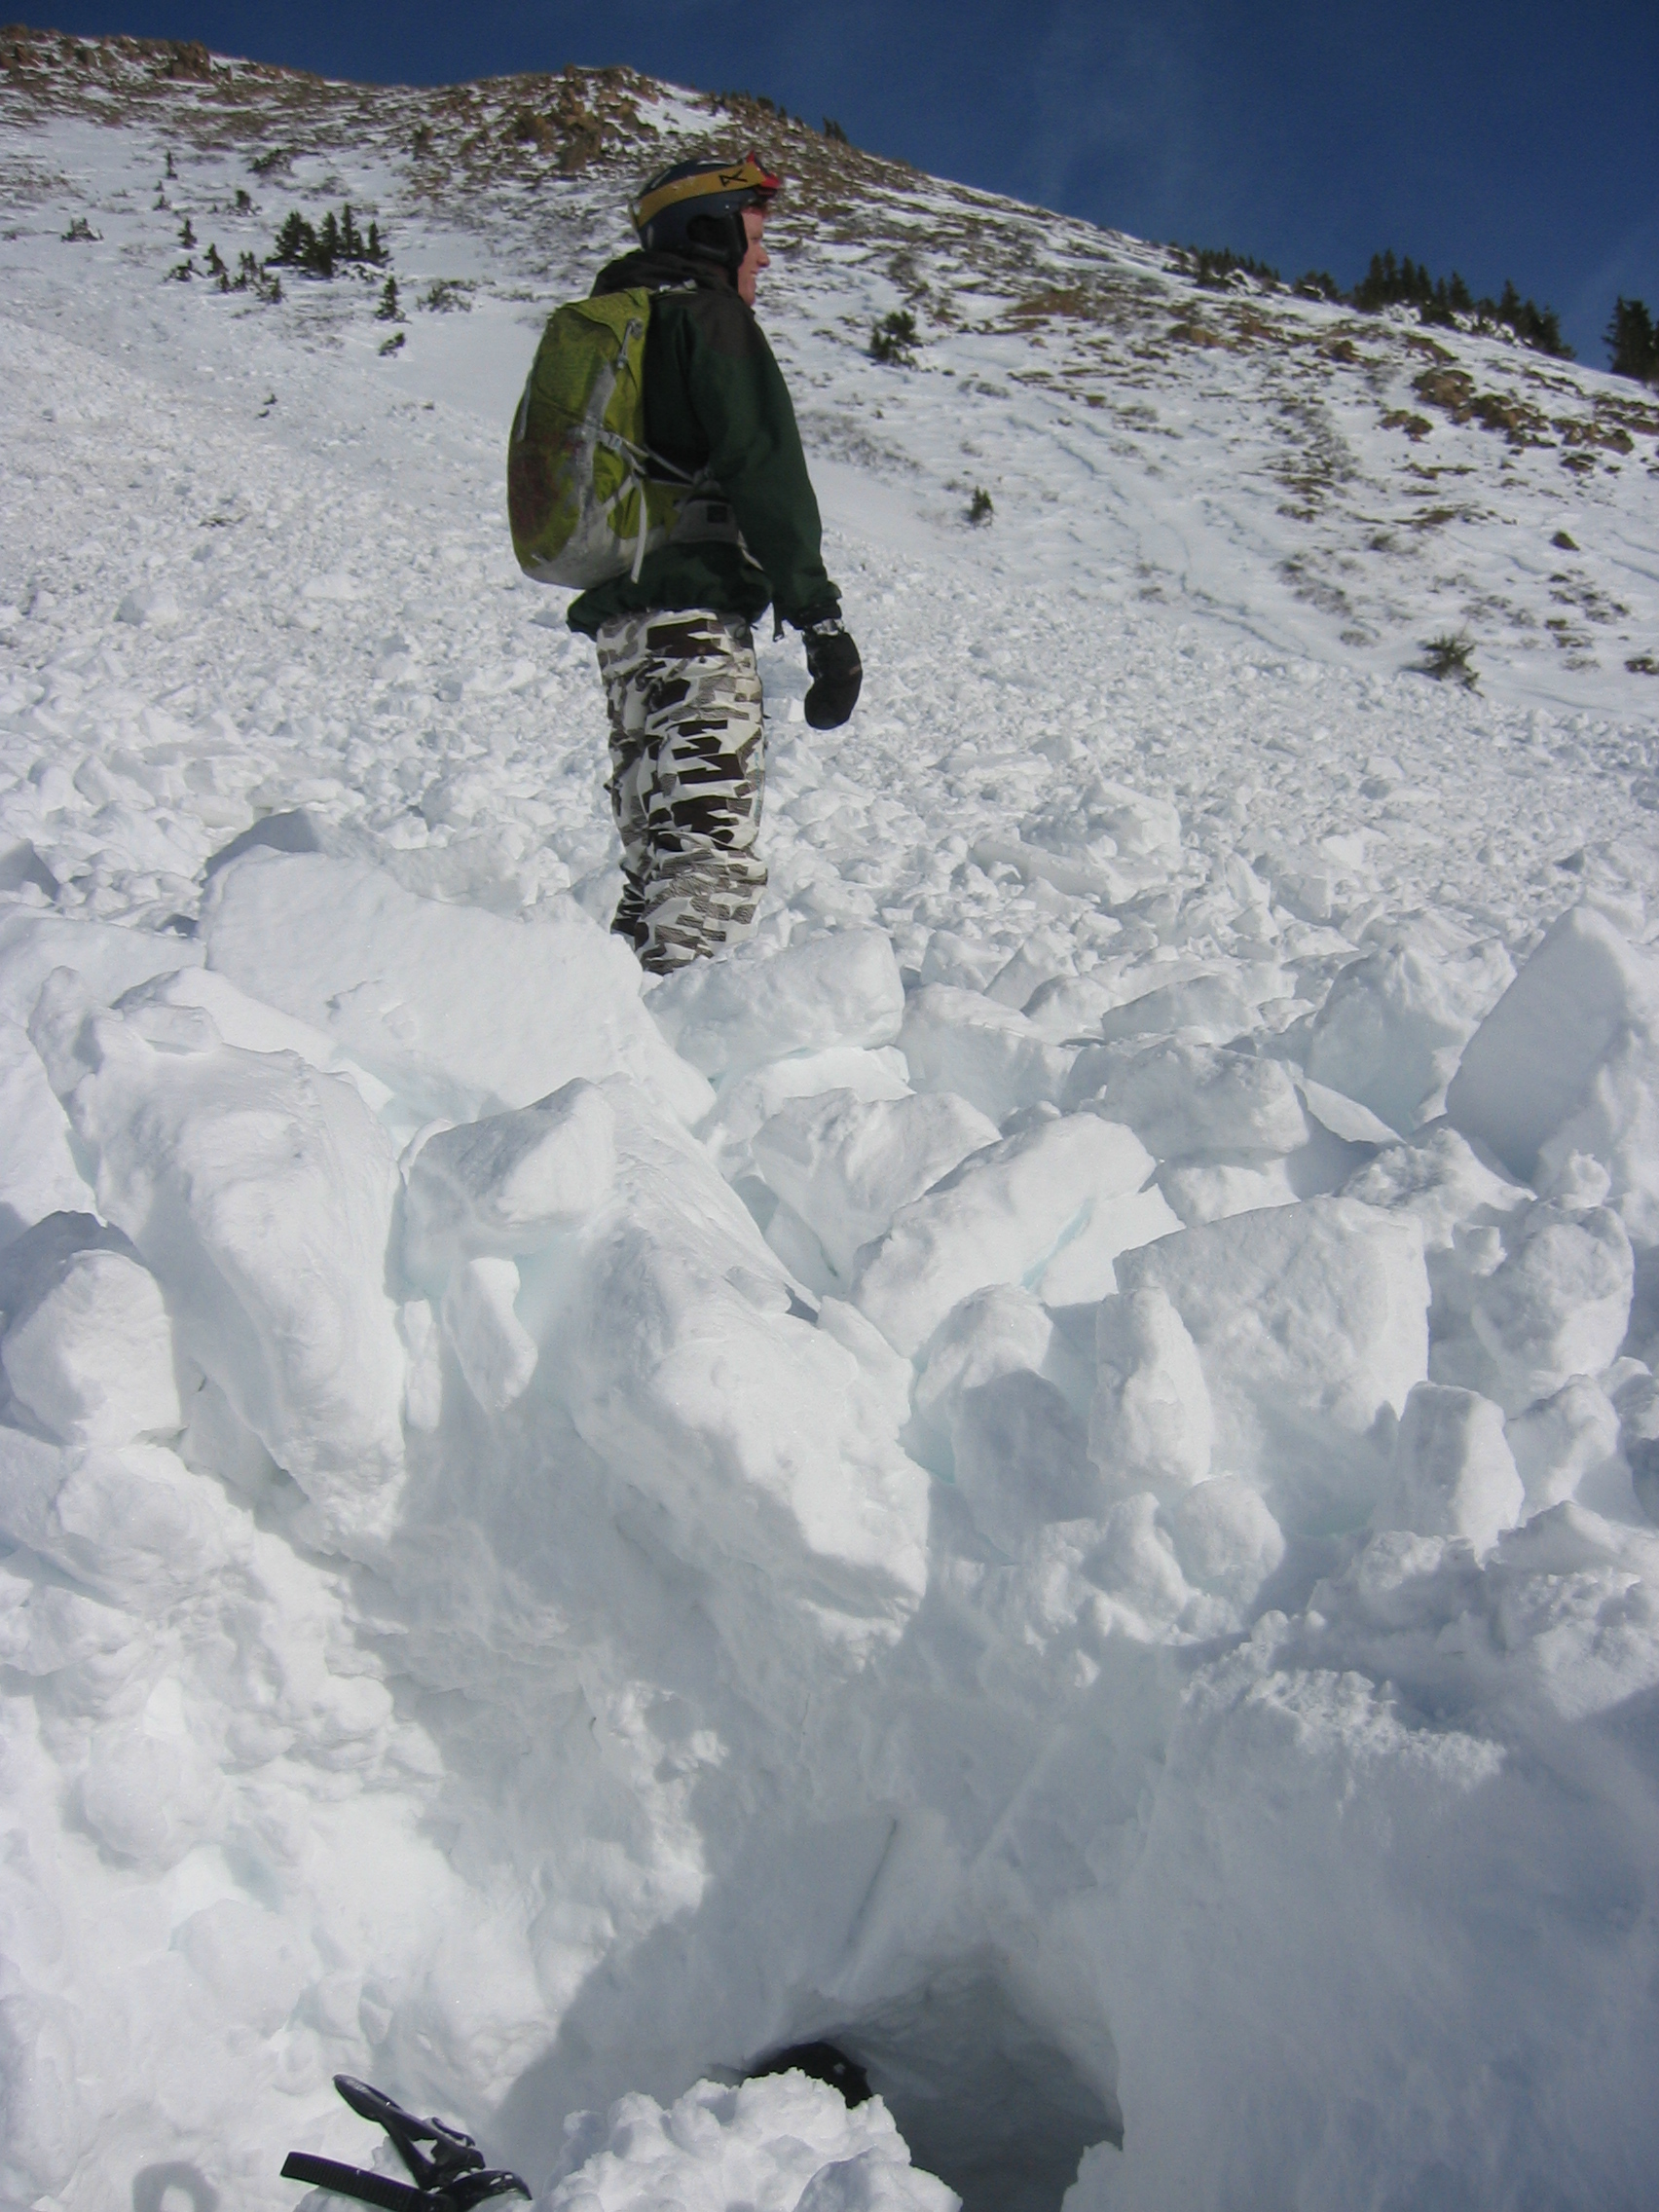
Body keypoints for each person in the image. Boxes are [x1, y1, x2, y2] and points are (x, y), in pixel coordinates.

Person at [564, 154, 863, 973]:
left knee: (656, 863)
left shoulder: (620, 325)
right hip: (693, 630)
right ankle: (675, 1039)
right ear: (711, 233)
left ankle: (614, 1022)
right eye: (755, 237)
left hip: (626, 636)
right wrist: (820, 620)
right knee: (706, 867)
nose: (762, 258)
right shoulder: (709, 319)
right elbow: (765, 471)